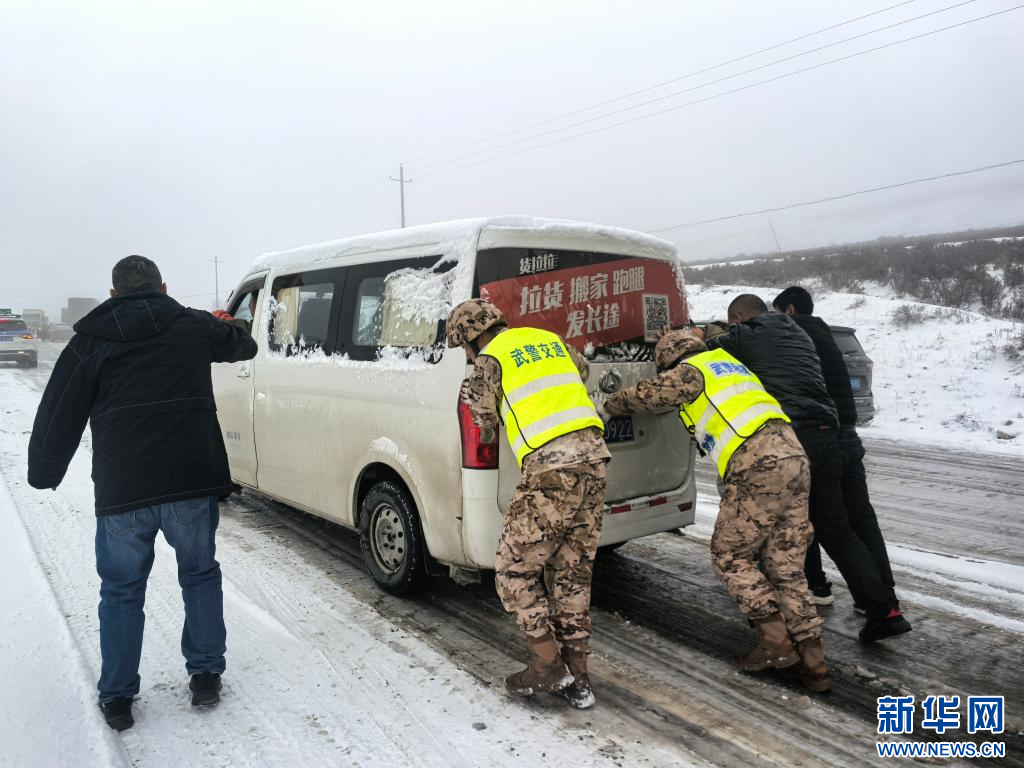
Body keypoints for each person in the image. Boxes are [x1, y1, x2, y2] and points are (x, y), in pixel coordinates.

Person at [27, 255, 258, 731]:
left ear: (113, 295)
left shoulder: (90, 341)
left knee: (121, 590)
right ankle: (205, 675)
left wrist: (45, 471)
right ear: (163, 287)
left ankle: (117, 697)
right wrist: (227, 322)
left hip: (124, 488)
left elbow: (59, 410)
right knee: (199, 575)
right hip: (190, 481)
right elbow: (244, 344)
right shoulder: (194, 326)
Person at [599, 329, 830, 691]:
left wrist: (608, 406)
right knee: (785, 567)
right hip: (795, 459)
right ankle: (815, 665)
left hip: (758, 463)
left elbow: (647, 394)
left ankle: (775, 643)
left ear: (670, 361)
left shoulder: (691, 371)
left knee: (730, 555)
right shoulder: (731, 366)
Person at [705, 295, 910, 643]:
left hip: (794, 437)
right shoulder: (798, 332)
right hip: (828, 432)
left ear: (739, 317)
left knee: (783, 526)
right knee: (836, 527)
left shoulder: (751, 333)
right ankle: (884, 609)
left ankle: (787, 614)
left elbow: (706, 349)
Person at [446, 299, 609, 709]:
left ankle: (547, 665)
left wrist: (478, 399)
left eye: (463, 347)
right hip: (594, 460)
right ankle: (580, 680)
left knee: (512, 569)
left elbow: (485, 428)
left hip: (551, 469)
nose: (467, 355)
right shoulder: (547, 340)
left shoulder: (488, 362)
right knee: (572, 572)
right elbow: (582, 371)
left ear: (470, 337)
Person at [772, 286, 901, 616]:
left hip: (819, 438)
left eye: (777, 313)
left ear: (789, 310)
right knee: (861, 516)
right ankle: (882, 592)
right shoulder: (825, 334)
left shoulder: (791, 336)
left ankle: (817, 587)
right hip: (848, 435)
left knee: (809, 516)